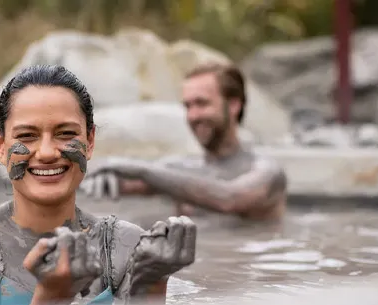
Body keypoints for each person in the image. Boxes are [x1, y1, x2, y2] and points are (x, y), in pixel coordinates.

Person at [0, 65, 196, 305]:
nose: (47, 152)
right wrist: (51, 298)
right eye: (27, 136)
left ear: (89, 141)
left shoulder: (123, 246)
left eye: (66, 134)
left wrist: (151, 283)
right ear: (0, 145)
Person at [81, 63, 287, 221]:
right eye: (187, 106)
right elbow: (117, 183)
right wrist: (104, 177)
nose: (193, 116)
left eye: (202, 103)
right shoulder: (179, 168)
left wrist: (139, 168)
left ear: (234, 105)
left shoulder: (266, 172)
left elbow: (229, 199)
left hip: (247, 272)